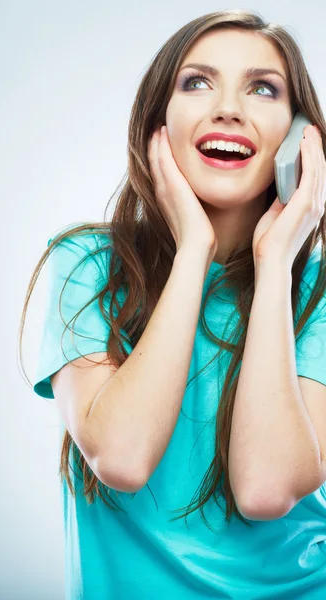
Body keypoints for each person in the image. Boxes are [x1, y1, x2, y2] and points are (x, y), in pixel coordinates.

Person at [18, 8, 326, 599]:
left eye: (262, 88)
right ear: (159, 121)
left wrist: (275, 265)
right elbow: (123, 458)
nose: (229, 107)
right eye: (197, 82)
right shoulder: (85, 265)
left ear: (298, 141)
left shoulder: (317, 288)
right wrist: (193, 251)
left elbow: (265, 489)